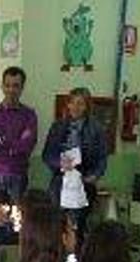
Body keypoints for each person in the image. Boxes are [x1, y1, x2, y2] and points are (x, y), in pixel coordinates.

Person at [42, 87, 109, 240]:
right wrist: (59, 163)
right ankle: (56, 259)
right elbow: (47, 155)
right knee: (55, 225)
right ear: (68, 104)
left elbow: (102, 157)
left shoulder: (96, 128)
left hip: (83, 181)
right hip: (60, 181)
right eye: (73, 103)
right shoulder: (58, 126)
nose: (76, 107)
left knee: (77, 227)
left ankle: (74, 259)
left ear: (87, 107)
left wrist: (95, 176)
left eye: (81, 104)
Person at [0, 67, 38, 202]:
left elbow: (27, 145)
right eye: (7, 85)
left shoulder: (29, 115)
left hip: (16, 175)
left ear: (22, 87)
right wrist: (13, 144)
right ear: (2, 86)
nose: (11, 90)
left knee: (13, 220)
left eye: (16, 86)